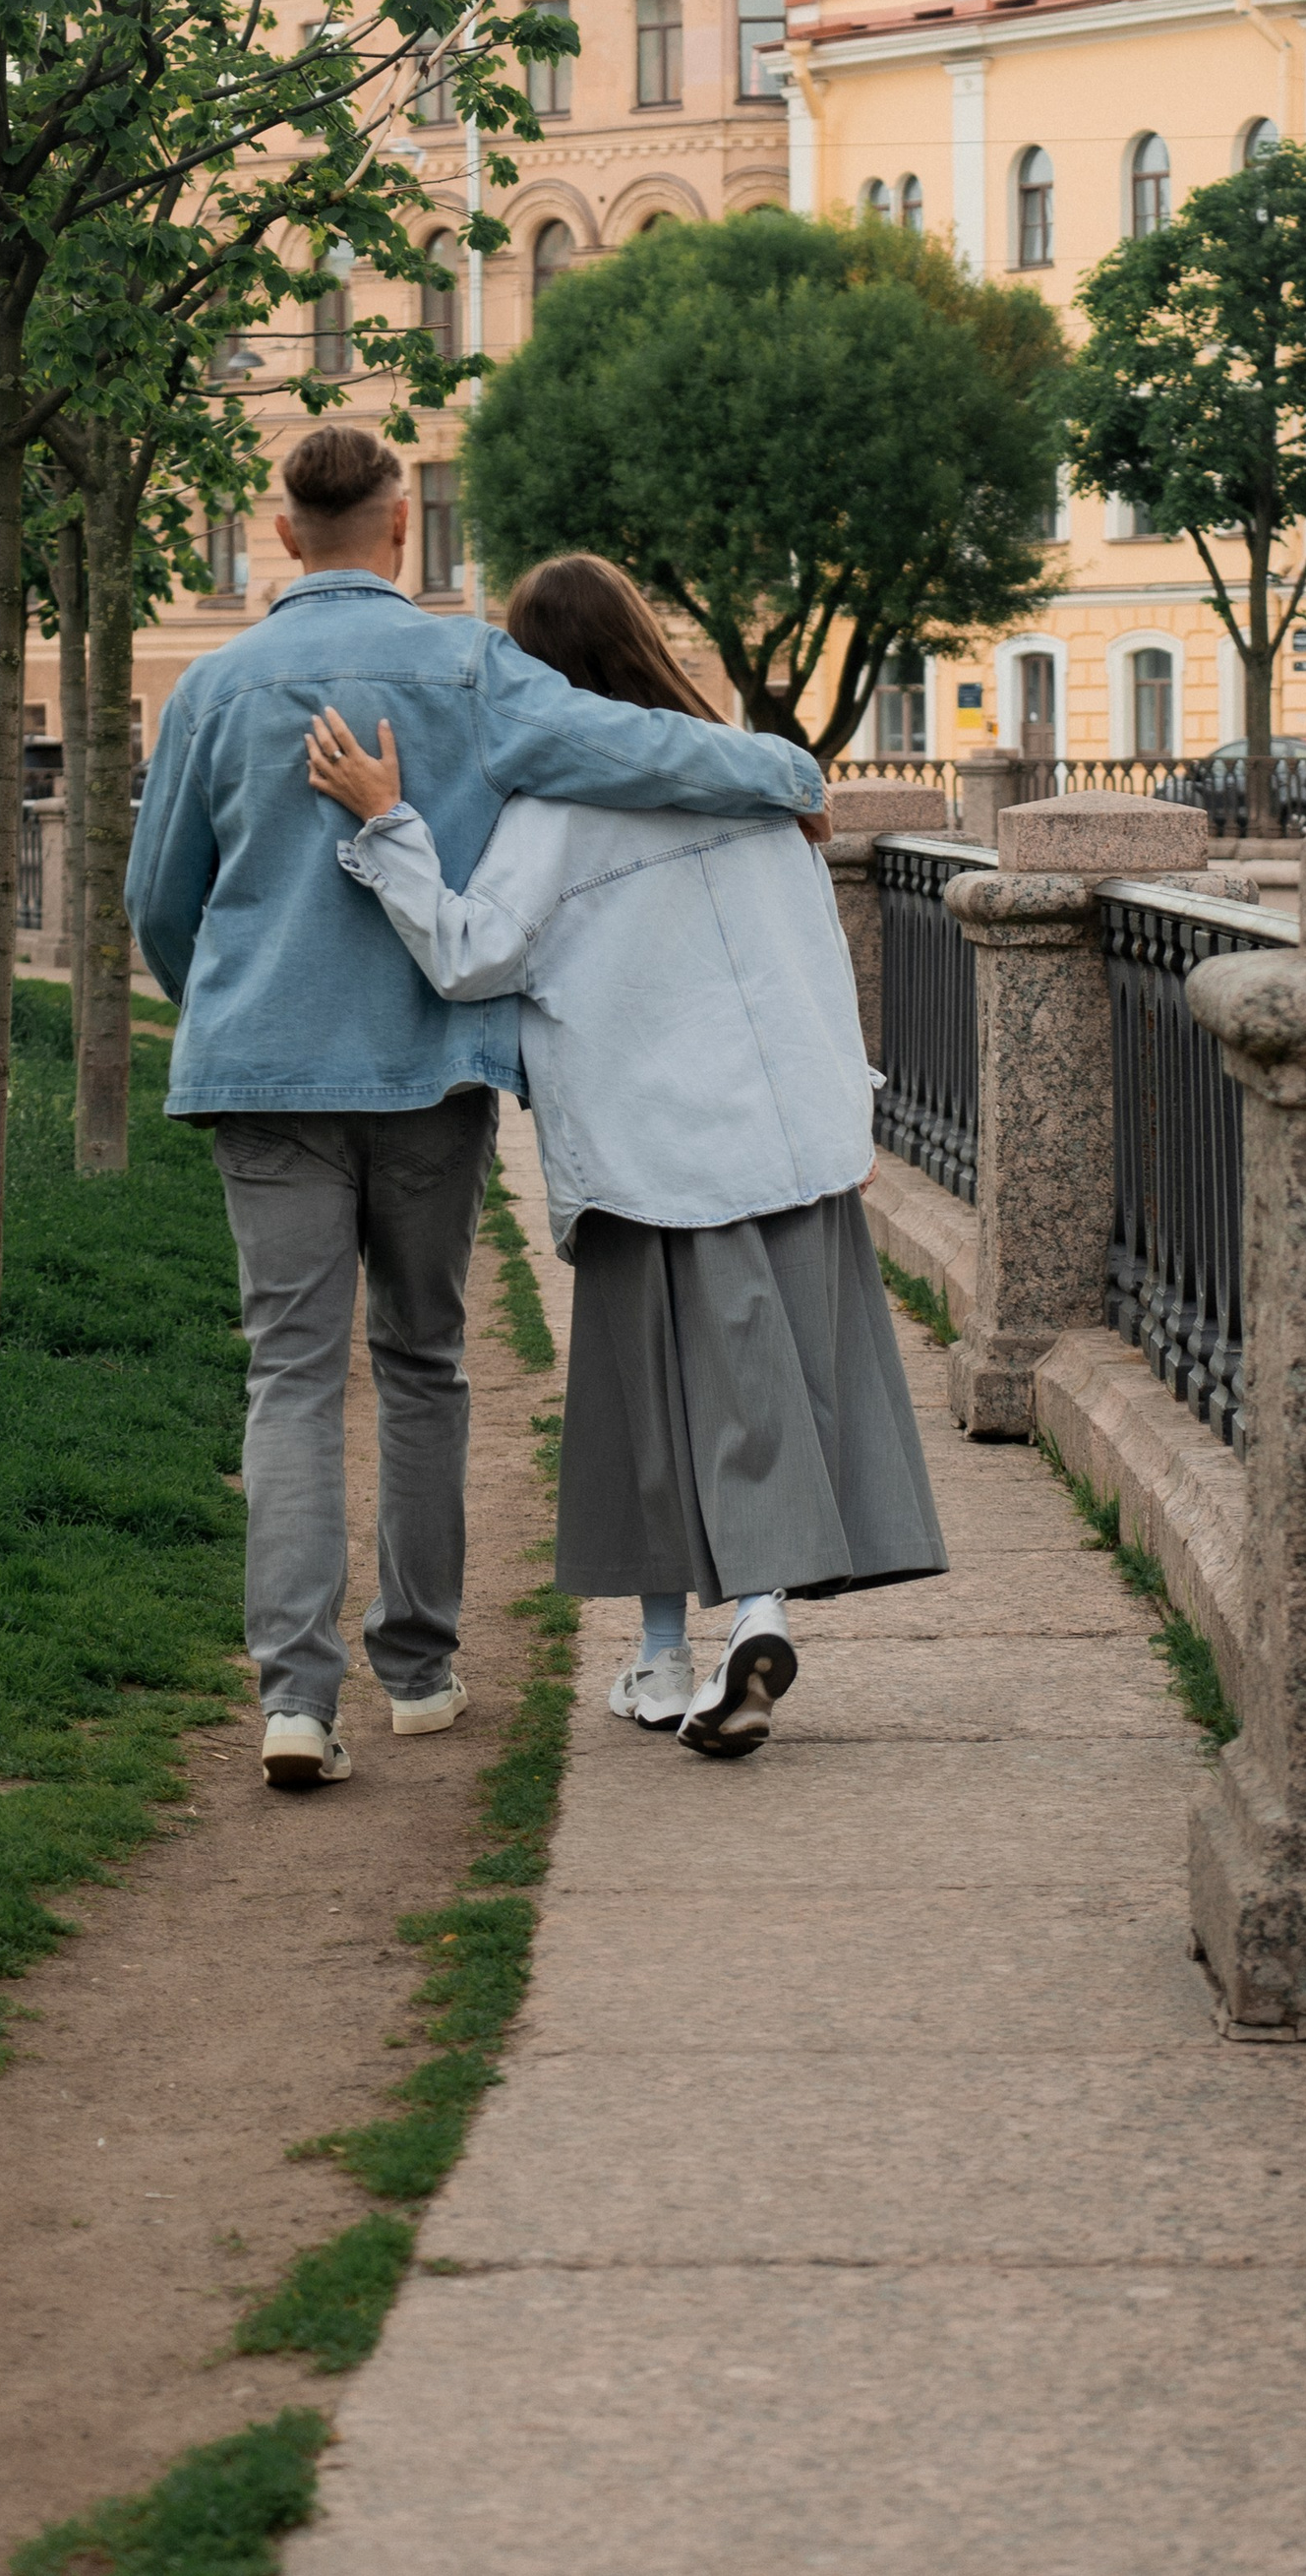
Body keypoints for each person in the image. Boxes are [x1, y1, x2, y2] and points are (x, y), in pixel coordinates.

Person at [125, 430, 827, 1793]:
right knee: (422, 1361)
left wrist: (224, 1002)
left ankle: (295, 1700)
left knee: (289, 1373)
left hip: (263, 1073)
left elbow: (161, 901)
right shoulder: (471, 667)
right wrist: (788, 775)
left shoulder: (211, 687)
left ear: (283, 533)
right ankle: (419, 1668)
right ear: (401, 526)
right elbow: (635, 745)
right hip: (428, 1073)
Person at [305, 552, 946, 1763]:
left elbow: (468, 957)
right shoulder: (754, 785)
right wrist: (848, 1110)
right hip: (783, 1139)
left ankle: (681, 1646)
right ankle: (725, 1630)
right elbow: (819, 962)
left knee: (642, 1403)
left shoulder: (551, 819)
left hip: (645, 1149)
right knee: (765, 1390)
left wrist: (388, 824)